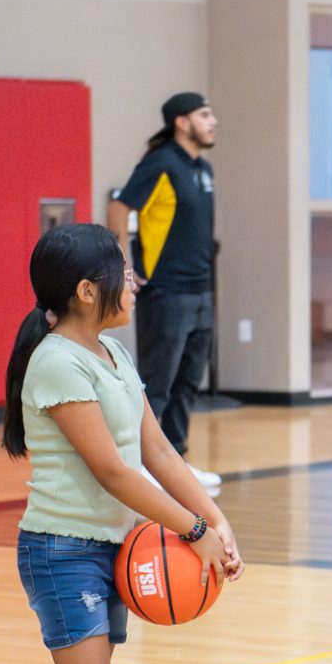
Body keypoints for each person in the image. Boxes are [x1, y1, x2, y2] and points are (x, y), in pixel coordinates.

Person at [2, 223, 243, 664]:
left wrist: (215, 521)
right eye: (124, 273)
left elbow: (159, 450)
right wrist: (190, 533)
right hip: (61, 552)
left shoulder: (109, 353)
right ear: (86, 290)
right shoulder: (56, 363)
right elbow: (111, 469)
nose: (134, 284)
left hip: (106, 550)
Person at [109, 92, 222, 489]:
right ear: (182, 122)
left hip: (202, 289)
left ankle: (177, 464)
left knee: (190, 380)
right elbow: (120, 207)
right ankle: (143, 465)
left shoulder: (202, 168)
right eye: (204, 115)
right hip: (167, 291)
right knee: (158, 382)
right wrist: (122, 262)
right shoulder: (161, 164)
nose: (213, 121)